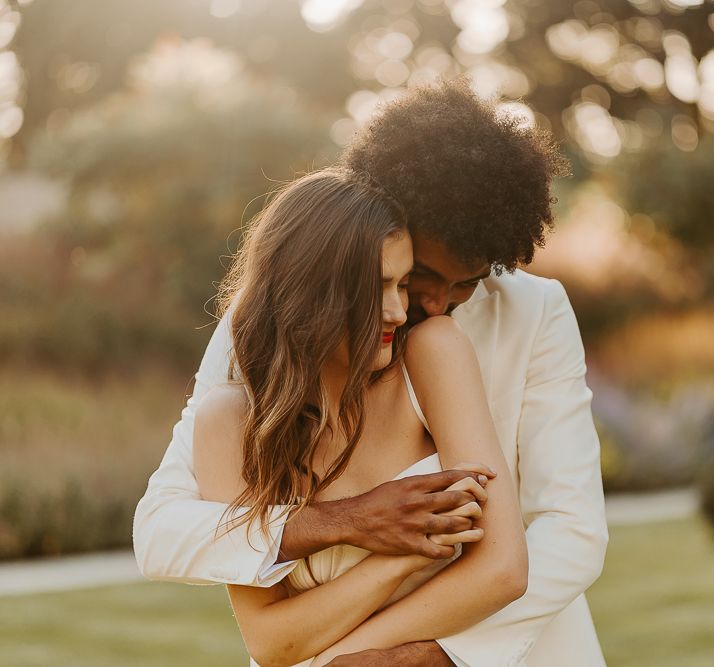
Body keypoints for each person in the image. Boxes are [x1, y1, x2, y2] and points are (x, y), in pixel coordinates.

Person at [134, 78, 609, 666]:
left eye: (469, 281)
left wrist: (419, 654)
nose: (435, 304)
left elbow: (571, 529)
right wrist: (348, 523)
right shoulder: (261, 326)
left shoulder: (528, 314)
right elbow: (164, 528)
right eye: (423, 277)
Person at [191, 166, 527, 666]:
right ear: (311, 291)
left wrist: (339, 660)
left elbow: (503, 571)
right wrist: (403, 556)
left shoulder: (433, 355)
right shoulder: (229, 424)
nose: (398, 311)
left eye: (404, 284)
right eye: (378, 287)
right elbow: (268, 639)